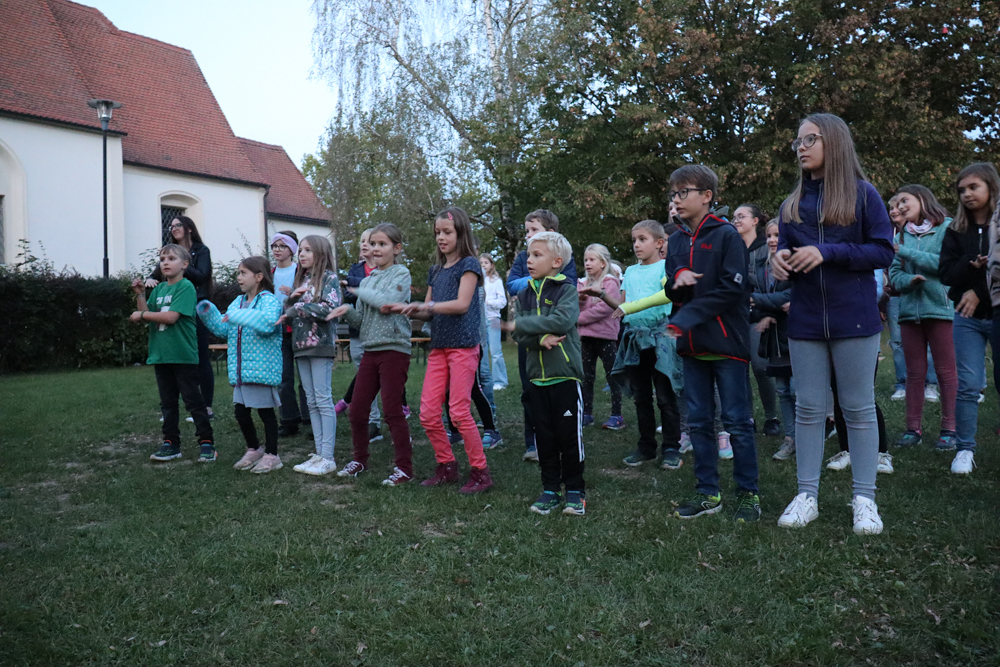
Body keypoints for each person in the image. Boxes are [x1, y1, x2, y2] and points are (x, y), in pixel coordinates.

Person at [771, 113, 894, 535]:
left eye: (810, 139)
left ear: (835, 143)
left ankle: (865, 499)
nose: (800, 147)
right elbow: (786, 249)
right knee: (808, 408)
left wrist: (829, 252)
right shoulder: (791, 204)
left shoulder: (863, 195)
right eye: (798, 141)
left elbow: (882, 251)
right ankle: (807, 495)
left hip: (855, 318)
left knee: (857, 408)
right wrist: (780, 260)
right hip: (805, 319)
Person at [655, 166, 760, 523]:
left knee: (737, 422)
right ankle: (707, 492)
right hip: (692, 347)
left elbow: (733, 288)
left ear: (706, 196)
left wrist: (686, 317)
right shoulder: (677, 240)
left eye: (683, 192)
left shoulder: (727, 235)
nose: (676, 199)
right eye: (673, 193)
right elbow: (671, 287)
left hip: (727, 343)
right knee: (699, 422)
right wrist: (677, 281)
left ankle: (748, 493)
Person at [392, 207, 493, 493]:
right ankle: (446, 466)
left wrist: (427, 306)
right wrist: (407, 308)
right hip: (439, 347)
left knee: (459, 412)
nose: (441, 237)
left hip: (463, 347)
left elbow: (461, 304)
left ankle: (481, 472)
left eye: (447, 232)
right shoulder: (435, 270)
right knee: (427, 413)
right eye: (437, 232)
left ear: (461, 233)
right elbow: (428, 311)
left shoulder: (469, 264)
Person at [587, 221, 682, 470]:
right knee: (641, 397)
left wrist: (632, 307)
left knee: (665, 397)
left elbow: (667, 295)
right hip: (635, 340)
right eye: (634, 240)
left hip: (661, 339)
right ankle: (646, 447)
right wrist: (601, 295)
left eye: (642, 239)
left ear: (659, 243)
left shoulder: (665, 268)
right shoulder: (629, 272)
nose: (636, 245)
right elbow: (622, 305)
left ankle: (672, 448)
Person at [326, 224, 414, 486]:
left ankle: (404, 468)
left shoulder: (401, 274)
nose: (375, 249)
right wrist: (347, 310)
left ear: (396, 248)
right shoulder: (366, 281)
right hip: (370, 350)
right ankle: (360, 460)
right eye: (373, 244)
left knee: (392, 411)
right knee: (357, 410)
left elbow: (386, 303)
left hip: (394, 349)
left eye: (382, 244)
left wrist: (359, 291)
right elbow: (362, 320)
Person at [506, 231, 587, 516]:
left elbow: (561, 321)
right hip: (535, 379)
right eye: (529, 255)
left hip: (564, 377)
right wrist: (540, 338)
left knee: (569, 437)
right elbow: (518, 334)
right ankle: (550, 490)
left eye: (536, 255)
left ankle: (575, 491)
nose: (529, 260)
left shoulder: (567, 290)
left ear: (556, 262)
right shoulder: (524, 293)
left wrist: (524, 325)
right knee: (544, 438)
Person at [197, 256, 284, 473]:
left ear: (259, 276)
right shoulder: (237, 302)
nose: (239, 277)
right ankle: (254, 448)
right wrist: (209, 314)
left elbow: (267, 324)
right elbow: (224, 329)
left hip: (262, 368)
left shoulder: (269, 301)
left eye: (243, 273)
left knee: (265, 413)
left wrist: (238, 316)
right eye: (238, 273)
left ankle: (272, 455)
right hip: (241, 370)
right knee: (241, 412)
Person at [941, 162, 1000, 475]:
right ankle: (964, 449)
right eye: (961, 189)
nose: (966, 194)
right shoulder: (956, 230)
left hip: (996, 311)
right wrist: (969, 264)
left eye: (974, 187)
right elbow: (946, 273)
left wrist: (978, 290)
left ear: (991, 187)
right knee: (968, 384)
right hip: (967, 318)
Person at [888, 185, 957, 449]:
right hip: (909, 312)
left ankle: (949, 429)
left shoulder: (946, 228)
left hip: (940, 309)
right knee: (914, 374)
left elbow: (944, 264)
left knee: (946, 372)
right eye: (897, 203)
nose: (900, 207)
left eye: (904, 200)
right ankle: (912, 430)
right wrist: (908, 280)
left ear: (922, 199)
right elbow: (894, 274)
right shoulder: (901, 235)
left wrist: (905, 252)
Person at [131, 244, 215, 462]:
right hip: (161, 355)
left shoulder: (186, 287)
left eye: (171, 259)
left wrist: (142, 316)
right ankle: (171, 443)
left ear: (185, 264)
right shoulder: (159, 289)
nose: (165, 263)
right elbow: (146, 312)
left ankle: (207, 443)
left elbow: (170, 317)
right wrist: (141, 296)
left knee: (193, 401)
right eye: (162, 259)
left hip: (182, 355)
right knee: (167, 404)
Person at [507, 210, 577, 461]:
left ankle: (564, 443)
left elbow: (565, 284)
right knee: (530, 390)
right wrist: (534, 280)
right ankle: (534, 442)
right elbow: (512, 285)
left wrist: (535, 283)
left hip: (560, 352)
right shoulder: (522, 259)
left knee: (560, 398)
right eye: (526, 231)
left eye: (534, 230)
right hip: (531, 348)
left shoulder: (567, 261)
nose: (528, 236)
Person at [282, 235, 341, 476]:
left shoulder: (329, 278)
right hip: (300, 346)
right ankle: (319, 453)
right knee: (311, 400)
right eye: (300, 251)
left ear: (321, 253)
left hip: (320, 346)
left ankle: (328, 457)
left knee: (322, 399)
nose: (302, 254)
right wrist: (291, 300)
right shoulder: (303, 280)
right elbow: (290, 311)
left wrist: (298, 307)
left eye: (307, 250)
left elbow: (329, 309)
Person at [146, 216, 215, 419]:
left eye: (178, 225)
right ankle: (171, 407)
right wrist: (150, 279)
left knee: (200, 356)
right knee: (173, 359)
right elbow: (158, 273)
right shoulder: (171, 254)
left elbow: (202, 276)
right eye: (171, 226)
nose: (174, 228)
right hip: (174, 306)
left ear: (189, 228)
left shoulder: (201, 250)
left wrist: (183, 265)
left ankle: (206, 406)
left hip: (197, 306)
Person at [736, 204, 781, 437]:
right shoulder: (732, 247)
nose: (736, 220)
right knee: (739, 368)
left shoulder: (765, 247)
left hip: (760, 312)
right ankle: (747, 417)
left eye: (741, 216)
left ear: (755, 221)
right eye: (734, 217)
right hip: (736, 315)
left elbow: (770, 279)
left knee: (760, 367)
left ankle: (771, 417)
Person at [753, 220, 796, 460]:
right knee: (783, 390)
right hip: (773, 339)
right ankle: (790, 438)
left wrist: (760, 302)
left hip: (795, 335)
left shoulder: (796, 265)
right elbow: (771, 300)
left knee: (798, 391)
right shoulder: (762, 267)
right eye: (769, 235)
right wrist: (767, 310)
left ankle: (808, 436)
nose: (771, 240)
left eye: (777, 235)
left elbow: (794, 297)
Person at [337, 229, 384, 442]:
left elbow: (382, 294)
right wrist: (359, 285)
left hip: (380, 332)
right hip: (357, 332)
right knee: (364, 379)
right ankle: (373, 421)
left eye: (369, 241)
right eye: (362, 241)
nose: (364, 245)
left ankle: (396, 414)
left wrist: (357, 285)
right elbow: (348, 293)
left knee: (384, 376)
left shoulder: (386, 270)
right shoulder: (355, 269)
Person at [576, 243, 624, 430]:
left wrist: (578, 319)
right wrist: (580, 302)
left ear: (603, 263)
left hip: (606, 337)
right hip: (586, 338)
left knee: (613, 376)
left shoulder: (610, 283)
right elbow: (576, 306)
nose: (587, 263)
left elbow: (604, 308)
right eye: (586, 260)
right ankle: (586, 413)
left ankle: (617, 415)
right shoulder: (582, 283)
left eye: (592, 259)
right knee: (586, 377)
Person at [270, 231, 310, 437]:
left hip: (299, 329)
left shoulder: (300, 272)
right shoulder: (269, 273)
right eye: (274, 246)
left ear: (292, 250)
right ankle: (289, 420)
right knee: (283, 377)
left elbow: (311, 296)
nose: (277, 250)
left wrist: (294, 294)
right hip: (278, 330)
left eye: (282, 246)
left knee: (306, 378)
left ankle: (310, 418)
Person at [481, 253, 509, 391]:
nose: (483, 265)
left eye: (486, 263)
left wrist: (489, 302)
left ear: (491, 265)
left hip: (493, 319)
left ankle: (500, 381)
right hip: (480, 320)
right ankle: (484, 380)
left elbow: (503, 302)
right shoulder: (477, 281)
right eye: (481, 263)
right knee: (482, 352)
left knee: (495, 351)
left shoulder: (496, 281)